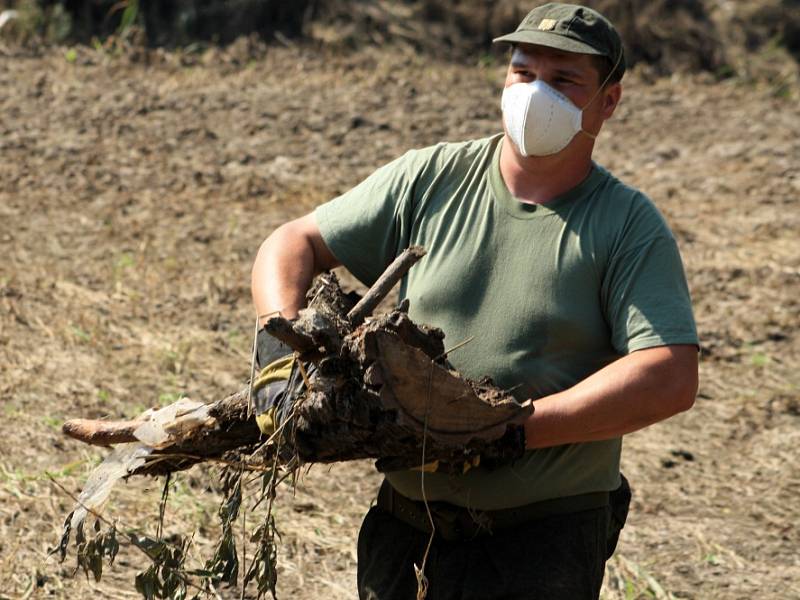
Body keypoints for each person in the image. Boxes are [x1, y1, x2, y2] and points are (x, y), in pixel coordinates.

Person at [250, 3, 699, 598]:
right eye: (524, 73)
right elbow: (292, 241)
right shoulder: (432, 177)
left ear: (608, 102)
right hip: (406, 527)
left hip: (542, 541)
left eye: (565, 81)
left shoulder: (625, 224)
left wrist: (510, 430)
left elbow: (669, 375)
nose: (538, 93)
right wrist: (281, 341)